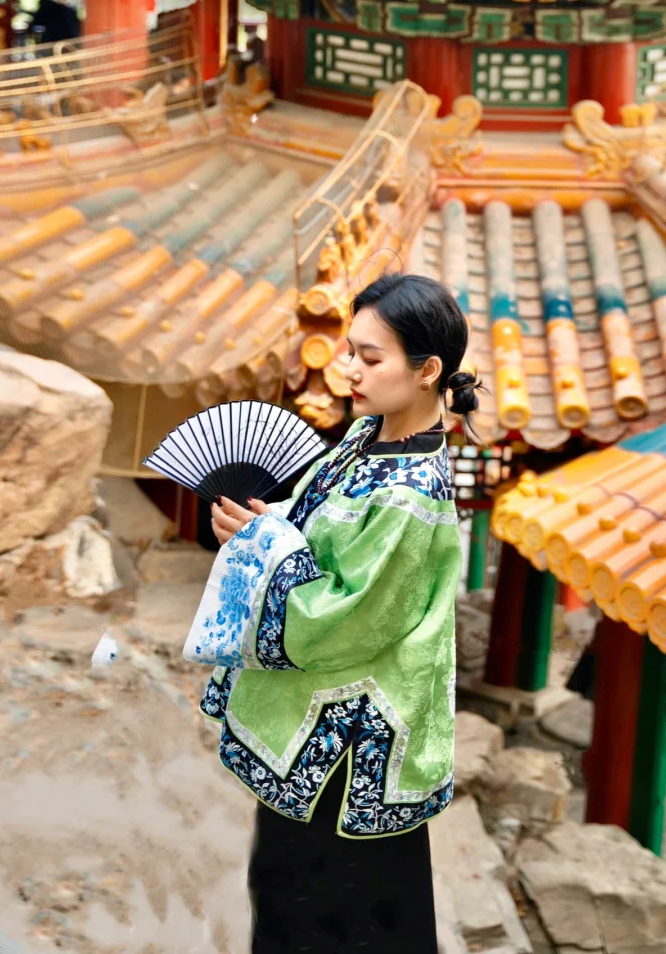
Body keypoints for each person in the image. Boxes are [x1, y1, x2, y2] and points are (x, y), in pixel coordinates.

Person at [182, 272, 479, 954]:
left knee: (336, 917)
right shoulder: (363, 434)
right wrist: (263, 524)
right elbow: (312, 524)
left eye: (370, 358)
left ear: (428, 370)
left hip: (351, 748)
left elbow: (345, 619)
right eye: (351, 350)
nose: (348, 369)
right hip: (321, 729)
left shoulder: (416, 498)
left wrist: (263, 551)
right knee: (289, 897)